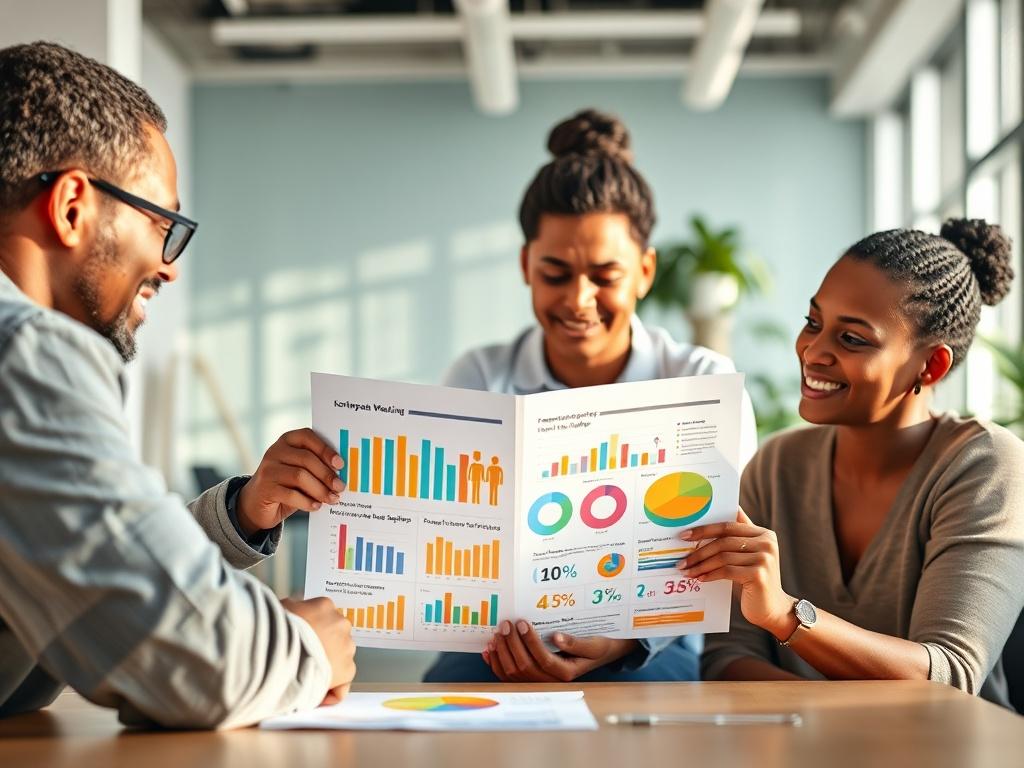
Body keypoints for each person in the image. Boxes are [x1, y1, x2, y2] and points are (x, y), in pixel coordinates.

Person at [0, 42, 356, 728]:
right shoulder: (25, 352)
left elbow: (91, 562)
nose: (171, 268)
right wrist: (304, 649)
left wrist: (245, 511)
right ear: (73, 205)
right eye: (162, 225)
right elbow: (198, 664)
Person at [423, 108, 757, 684]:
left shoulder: (701, 382)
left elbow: (718, 549)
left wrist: (626, 637)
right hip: (493, 643)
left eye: (605, 276)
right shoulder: (479, 375)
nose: (579, 299)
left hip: (649, 644)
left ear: (646, 271)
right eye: (556, 273)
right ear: (527, 265)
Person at [696, 220, 1024, 707]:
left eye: (852, 339)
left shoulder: (983, 464)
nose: (813, 351)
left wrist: (786, 615)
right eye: (813, 323)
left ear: (929, 366)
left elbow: (951, 675)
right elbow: (726, 659)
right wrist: (835, 733)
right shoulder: (776, 466)